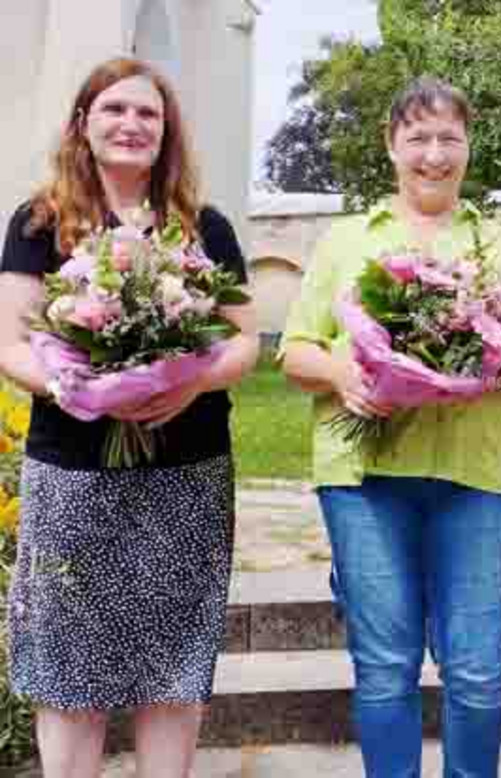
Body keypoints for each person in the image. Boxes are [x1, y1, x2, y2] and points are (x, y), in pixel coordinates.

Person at [280, 76, 501, 778]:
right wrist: (343, 375)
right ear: (391, 145)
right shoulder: (348, 240)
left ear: (468, 147)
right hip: (364, 482)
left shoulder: (498, 245)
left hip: (471, 476)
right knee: (385, 666)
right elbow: (295, 350)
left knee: (478, 671)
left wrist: (487, 372)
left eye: (449, 139)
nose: (434, 155)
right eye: (418, 138)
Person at [0, 58, 258, 777]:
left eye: (148, 113)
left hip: (187, 475)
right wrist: (76, 386)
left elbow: (245, 340)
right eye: (115, 109)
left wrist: (193, 379)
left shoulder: (204, 228)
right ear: (83, 123)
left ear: (167, 131)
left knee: (173, 669)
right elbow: (11, 345)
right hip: (72, 476)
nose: (132, 124)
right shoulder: (39, 223)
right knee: (69, 668)